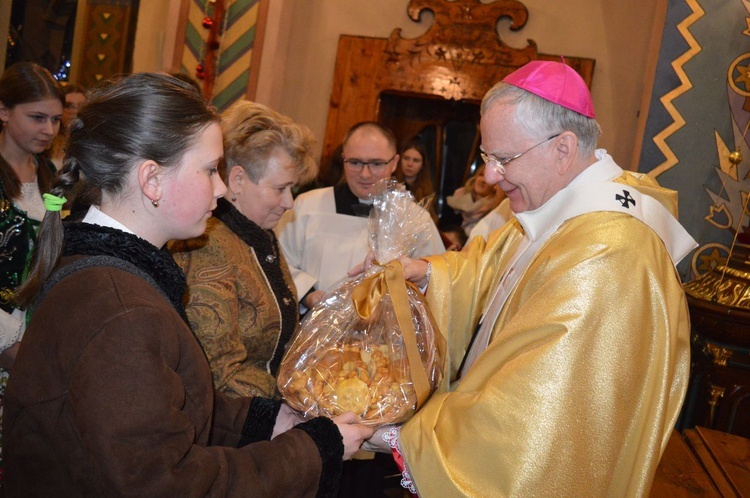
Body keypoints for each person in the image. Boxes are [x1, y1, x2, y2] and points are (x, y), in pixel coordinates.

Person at [3, 72, 372, 495]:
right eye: (210, 169)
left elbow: (167, 409)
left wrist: (278, 421)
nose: (220, 187)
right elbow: (166, 483)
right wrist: (314, 449)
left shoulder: (117, 276)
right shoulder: (121, 309)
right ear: (152, 180)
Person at [360, 61, 697, 496]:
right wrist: (423, 272)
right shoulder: (561, 210)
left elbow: (535, 418)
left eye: (503, 159)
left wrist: (400, 438)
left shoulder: (609, 252)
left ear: (563, 148)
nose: (490, 177)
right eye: (487, 157)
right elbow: (492, 273)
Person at [171, 100, 317, 399]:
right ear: (237, 180)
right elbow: (219, 376)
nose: (289, 202)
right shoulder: (207, 246)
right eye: (280, 189)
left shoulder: (258, 235)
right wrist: (298, 404)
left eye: (293, 189)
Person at [276, 121, 444, 310]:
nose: (365, 174)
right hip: (312, 322)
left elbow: (436, 277)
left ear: (395, 163)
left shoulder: (415, 218)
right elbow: (280, 260)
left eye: (376, 164)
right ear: (343, 159)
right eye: (355, 162)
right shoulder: (307, 205)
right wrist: (308, 295)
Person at [0, 62, 62, 397]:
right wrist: (6, 345)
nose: (49, 130)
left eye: (55, 119)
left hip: (36, 331)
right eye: (37, 118)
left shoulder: (50, 174)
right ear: (4, 111)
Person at [445, 163, 505, 235]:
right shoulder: (457, 200)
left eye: (488, 178)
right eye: (481, 175)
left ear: (495, 185)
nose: (483, 180)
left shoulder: (492, 210)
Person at [394, 136, 436, 220]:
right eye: (406, 158)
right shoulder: (391, 185)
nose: (410, 164)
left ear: (423, 165)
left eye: (416, 160)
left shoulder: (427, 191)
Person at [47, 83, 86, 170]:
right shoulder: (47, 141)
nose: (75, 111)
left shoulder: (94, 143)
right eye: (69, 106)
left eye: (81, 106)